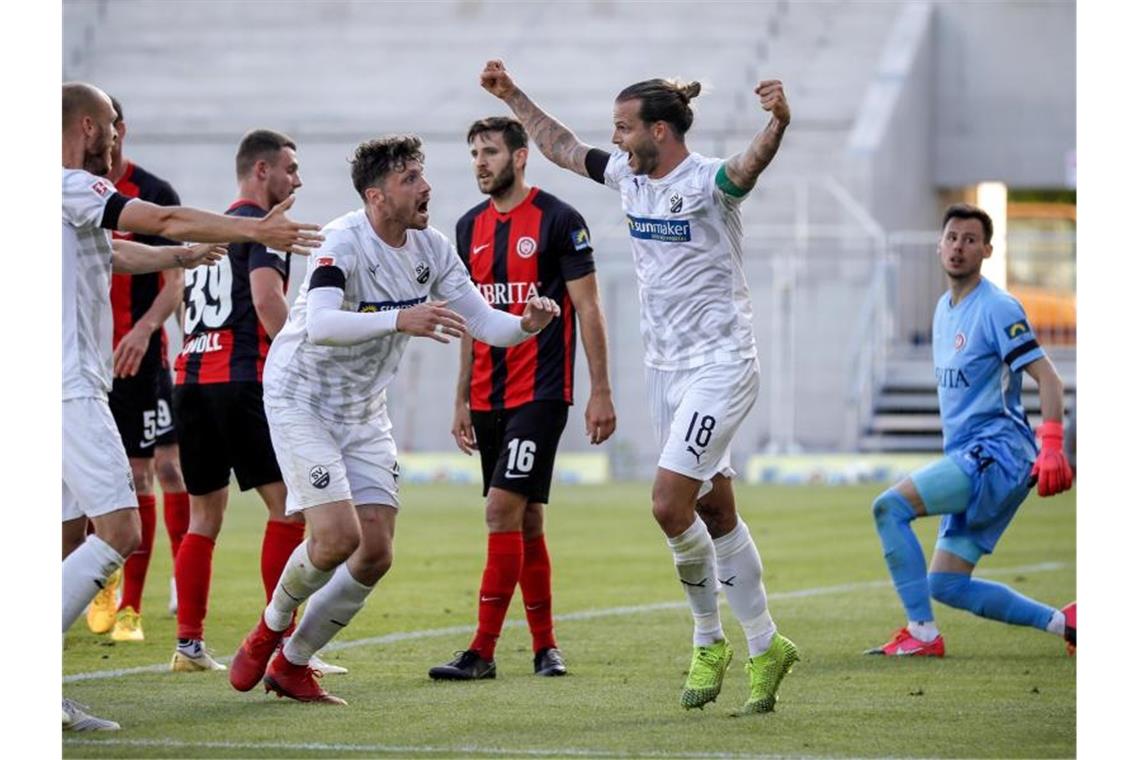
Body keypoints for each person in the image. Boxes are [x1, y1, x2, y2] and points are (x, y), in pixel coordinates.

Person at [479, 60, 798, 714]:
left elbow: (749, 165)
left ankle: (708, 639)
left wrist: (779, 122)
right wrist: (512, 94)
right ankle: (767, 645)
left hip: (721, 363)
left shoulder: (707, 181)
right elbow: (562, 148)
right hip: (667, 371)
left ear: (660, 128)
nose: (615, 138)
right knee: (714, 511)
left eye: (625, 127)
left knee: (666, 503)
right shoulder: (628, 175)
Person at [228, 134, 561, 705]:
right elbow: (324, 324)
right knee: (335, 538)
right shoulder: (343, 239)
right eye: (411, 179)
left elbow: (484, 323)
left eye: (422, 174)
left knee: (375, 553)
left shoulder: (431, 247)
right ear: (377, 196)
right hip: (302, 396)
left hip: (361, 409)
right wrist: (399, 318)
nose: (426, 187)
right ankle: (271, 625)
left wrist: (526, 324)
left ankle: (293, 665)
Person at [62, 81, 319, 730]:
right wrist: (253, 229)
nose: (119, 141)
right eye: (112, 129)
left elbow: (117, 251)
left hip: (83, 385)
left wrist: (179, 256)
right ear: (88, 128)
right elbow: (163, 217)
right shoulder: (66, 182)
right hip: (70, 388)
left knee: (67, 539)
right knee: (121, 532)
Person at [428, 117, 616, 681]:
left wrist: (600, 390)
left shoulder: (560, 220)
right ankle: (545, 648)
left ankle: (482, 652)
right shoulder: (467, 228)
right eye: (474, 154)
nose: (480, 162)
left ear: (520, 156)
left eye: (490, 152)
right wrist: (459, 398)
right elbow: (469, 318)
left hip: (540, 391)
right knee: (527, 520)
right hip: (487, 394)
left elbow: (588, 309)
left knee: (499, 511)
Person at [865, 204, 1076, 657]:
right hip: (975, 456)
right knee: (946, 583)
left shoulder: (998, 307)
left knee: (889, 508)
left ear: (986, 250)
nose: (959, 247)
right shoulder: (944, 309)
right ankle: (1068, 624)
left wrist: (1053, 445)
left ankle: (921, 634)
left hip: (997, 455)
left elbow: (1050, 379)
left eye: (970, 240)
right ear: (939, 245)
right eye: (952, 238)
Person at [169, 128, 327, 674]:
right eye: (289, 168)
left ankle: (188, 646)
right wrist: (298, 365)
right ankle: (282, 645)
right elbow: (266, 298)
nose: (297, 180)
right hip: (241, 382)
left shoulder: (213, 231)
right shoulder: (264, 230)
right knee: (290, 507)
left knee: (202, 516)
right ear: (261, 171)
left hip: (191, 380)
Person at [84, 95, 192, 643]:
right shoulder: (73, 188)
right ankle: (98, 579)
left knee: (152, 473)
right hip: (84, 363)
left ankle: (132, 605)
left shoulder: (152, 192)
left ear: (118, 129)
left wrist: (145, 328)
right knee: (88, 487)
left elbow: (172, 277)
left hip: (141, 359)